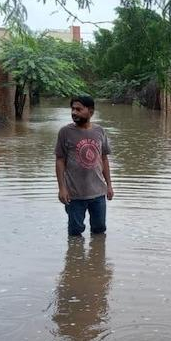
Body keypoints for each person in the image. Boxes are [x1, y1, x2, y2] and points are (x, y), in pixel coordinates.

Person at [55, 95, 114, 236]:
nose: (74, 112)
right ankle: (75, 257)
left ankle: (97, 256)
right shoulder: (65, 132)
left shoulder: (99, 131)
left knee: (99, 231)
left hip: (98, 192)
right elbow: (60, 160)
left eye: (78, 109)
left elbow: (104, 159)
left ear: (91, 112)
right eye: (72, 109)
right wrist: (62, 189)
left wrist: (109, 185)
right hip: (74, 195)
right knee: (75, 234)